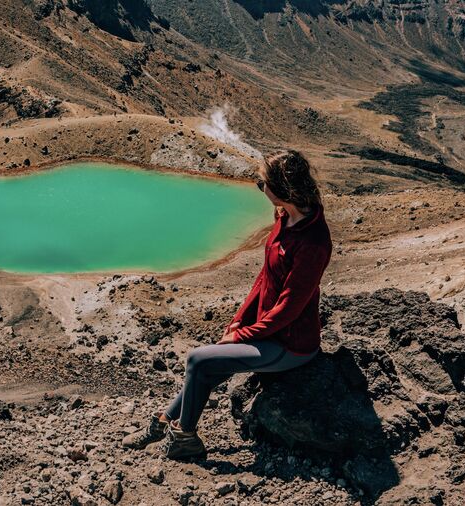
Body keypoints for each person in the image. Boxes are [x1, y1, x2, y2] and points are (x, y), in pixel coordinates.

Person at [122, 150, 333, 460]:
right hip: (268, 331)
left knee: (199, 360)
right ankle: (163, 423)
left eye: (263, 185)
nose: (261, 190)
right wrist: (238, 322)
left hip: (291, 344)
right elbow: (264, 278)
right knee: (208, 365)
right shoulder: (284, 218)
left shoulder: (313, 241)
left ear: (282, 188)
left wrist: (245, 336)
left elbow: (290, 307)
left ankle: (184, 438)